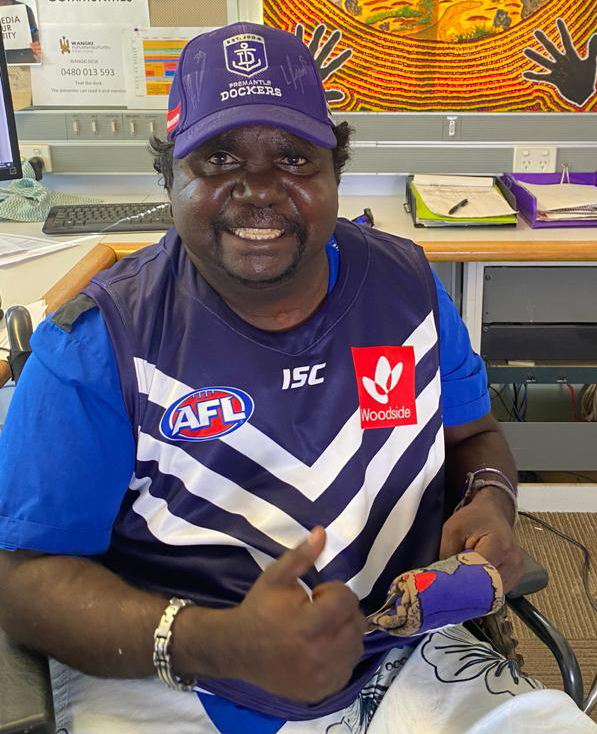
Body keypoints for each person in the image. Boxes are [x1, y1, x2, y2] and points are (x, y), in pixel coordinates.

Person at [0, 21, 594, 734]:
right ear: (169, 179)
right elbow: (24, 579)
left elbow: (471, 434)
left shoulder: (406, 293)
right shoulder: (100, 346)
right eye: (218, 158)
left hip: (397, 655)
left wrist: (491, 500)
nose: (259, 190)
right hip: (176, 678)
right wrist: (216, 642)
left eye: (293, 157)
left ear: (333, 174)